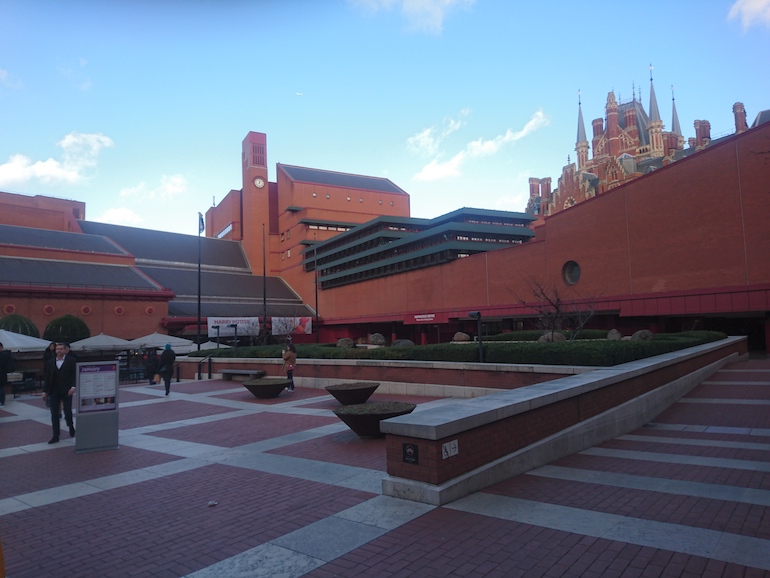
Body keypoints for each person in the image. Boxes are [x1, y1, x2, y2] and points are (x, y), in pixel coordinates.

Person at [42, 343, 76, 443]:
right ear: (55, 351)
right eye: (57, 349)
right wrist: (44, 391)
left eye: (61, 349)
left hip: (67, 390)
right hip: (54, 391)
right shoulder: (50, 362)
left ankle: (71, 426)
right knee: (54, 414)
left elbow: (74, 375)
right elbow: (47, 378)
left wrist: (73, 387)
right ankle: (55, 435)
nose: (59, 351)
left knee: (67, 411)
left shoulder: (71, 361)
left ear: (65, 350)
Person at [0, 341, 14, 407]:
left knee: (1, 388)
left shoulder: (3, 355)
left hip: (1, 374)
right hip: (3, 374)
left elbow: (2, 364)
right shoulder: (6, 354)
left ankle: (2, 402)